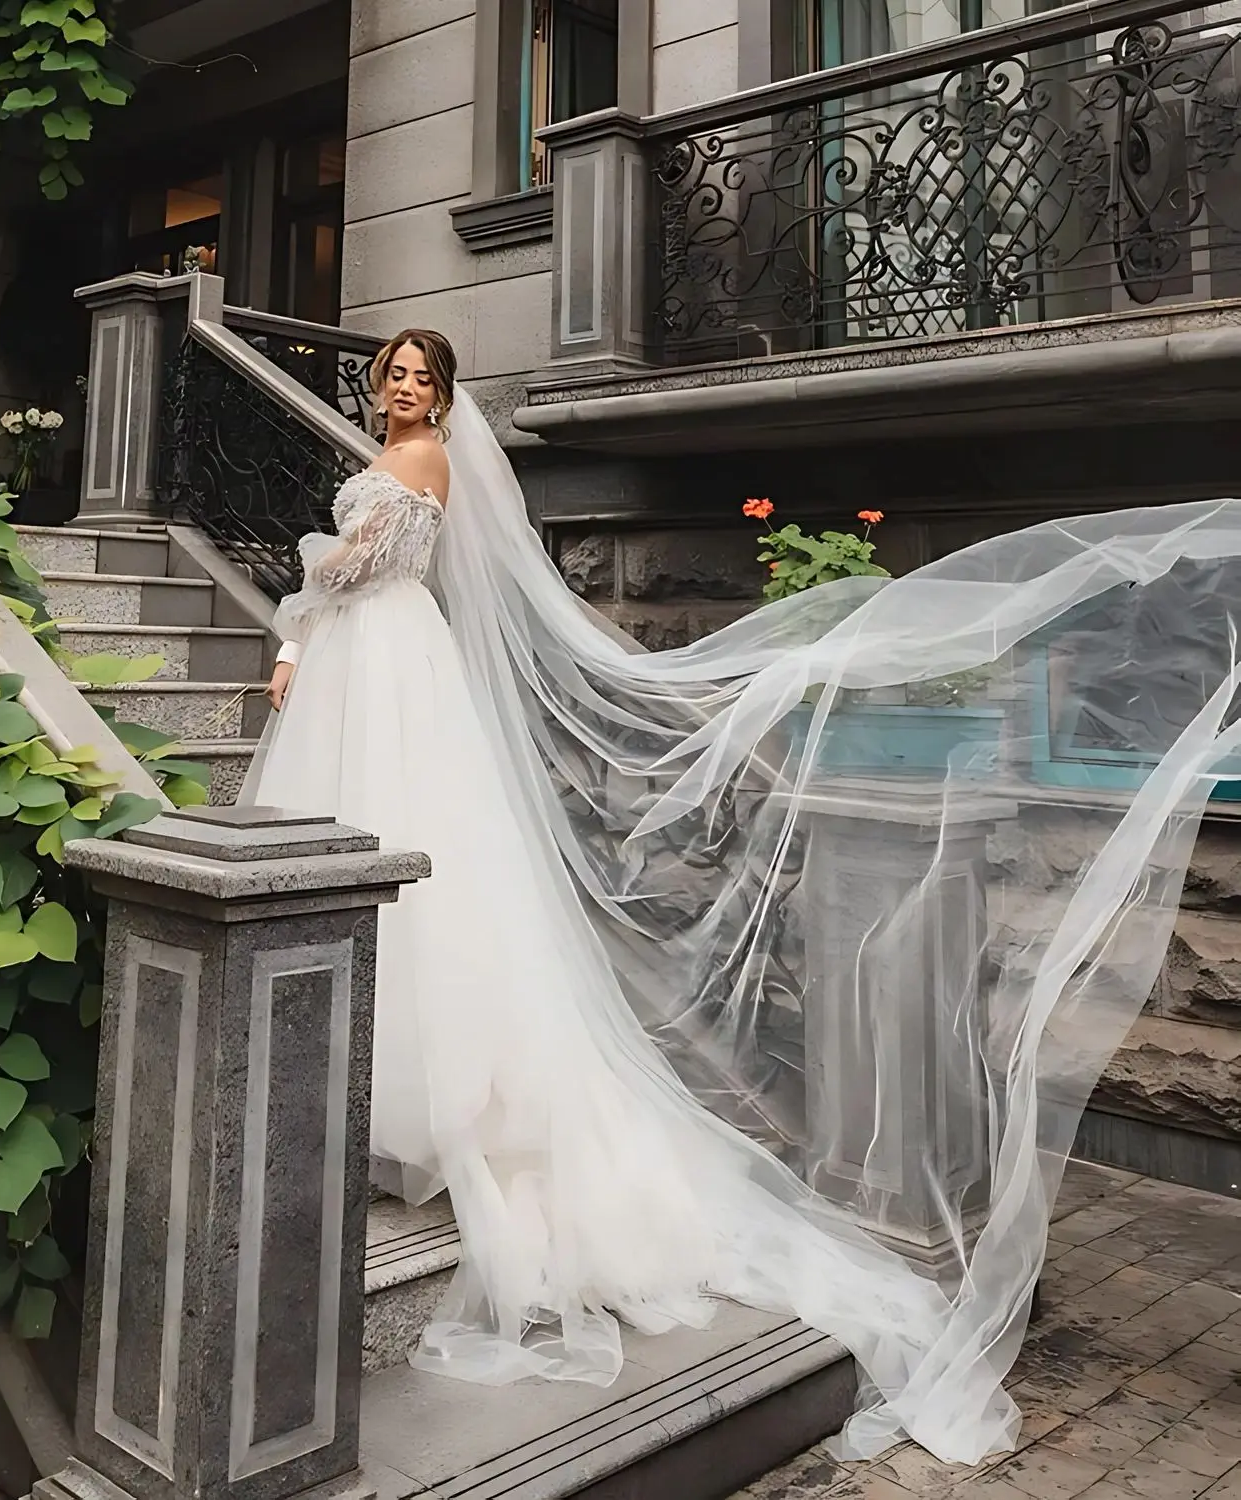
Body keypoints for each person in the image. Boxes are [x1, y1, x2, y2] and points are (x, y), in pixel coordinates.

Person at [242, 329, 1241, 1466]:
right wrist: (301, 628)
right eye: (397, 376)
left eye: (424, 378)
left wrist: (306, 587)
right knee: (361, 844)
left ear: (445, 395)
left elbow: (358, 566)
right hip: (365, 661)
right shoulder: (402, 455)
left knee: (407, 851)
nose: (407, 389)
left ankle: (433, 1095)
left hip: (383, 659)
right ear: (380, 384)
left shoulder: (420, 464)